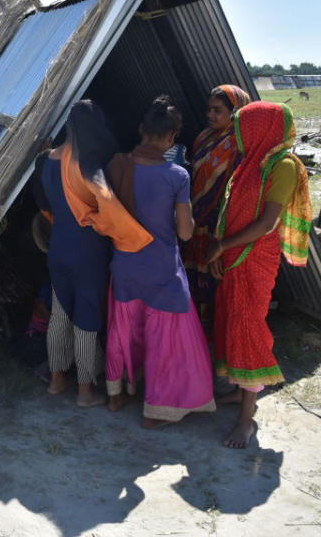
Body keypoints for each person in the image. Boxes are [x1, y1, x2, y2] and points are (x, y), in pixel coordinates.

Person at [103, 97, 216, 427]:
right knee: (166, 339)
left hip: (123, 264)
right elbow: (184, 233)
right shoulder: (177, 175)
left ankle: (115, 394)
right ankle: (157, 409)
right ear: (172, 138)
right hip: (162, 269)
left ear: (141, 130)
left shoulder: (116, 165)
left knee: (124, 329)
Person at [207, 101, 312, 448]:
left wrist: (223, 246)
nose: (236, 138)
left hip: (254, 258)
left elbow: (267, 224)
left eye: (242, 130)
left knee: (249, 329)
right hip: (236, 255)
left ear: (260, 130)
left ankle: (245, 419)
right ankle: (240, 395)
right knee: (234, 323)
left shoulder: (282, 166)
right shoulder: (250, 163)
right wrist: (224, 247)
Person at [40, 100, 152, 407]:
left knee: (60, 313)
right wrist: (106, 224)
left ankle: (57, 380)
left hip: (58, 245)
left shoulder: (48, 158)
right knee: (87, 314)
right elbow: (106, 200)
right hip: (86, 248)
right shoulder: (86, 161)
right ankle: (85, 391)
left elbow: (46, 201)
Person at [183, 85, 250, 335]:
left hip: (218, 224)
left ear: (235, 113)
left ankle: (213, 336)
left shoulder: (240, 145)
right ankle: (192, 330)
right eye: (209, 109)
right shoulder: (202, 137)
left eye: (217, 110)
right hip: (193, 219)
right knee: (191, 275)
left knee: (214, 280)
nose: (210, 115)